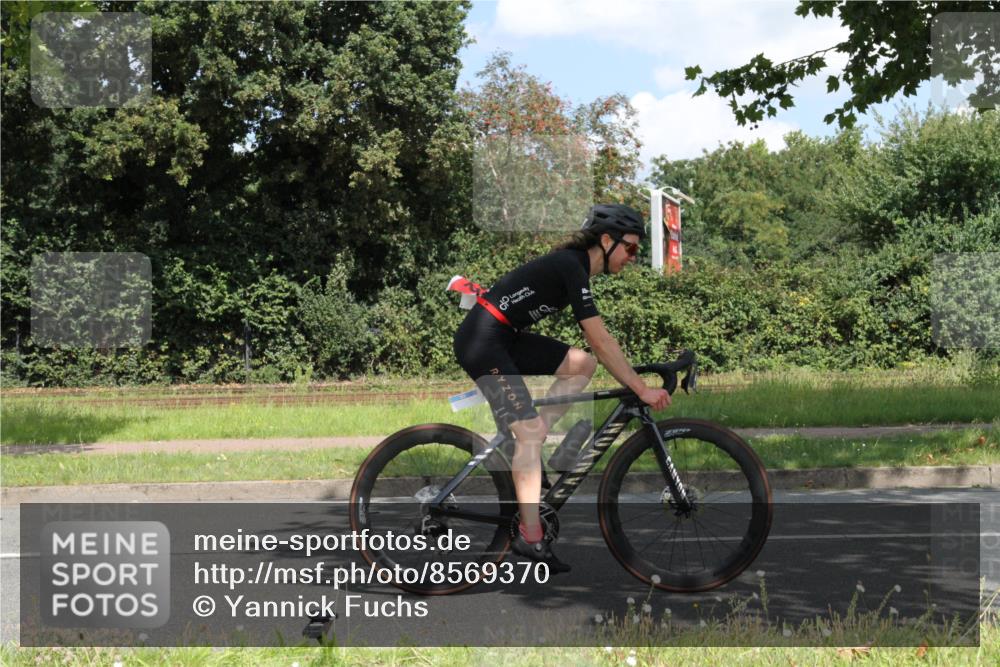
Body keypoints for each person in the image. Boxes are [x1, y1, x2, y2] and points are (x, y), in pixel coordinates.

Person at [452, 203, 671, 573]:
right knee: (532, 431)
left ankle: (529, 442)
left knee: (581, 365)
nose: (633, 257)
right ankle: (530, 536)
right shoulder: (572, 266)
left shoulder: (575, 268)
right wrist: (640, 387)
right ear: (606, 240)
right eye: (631, 248)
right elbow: (601, 340)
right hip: (483, 340)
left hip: (503, 336)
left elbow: (594, 353)